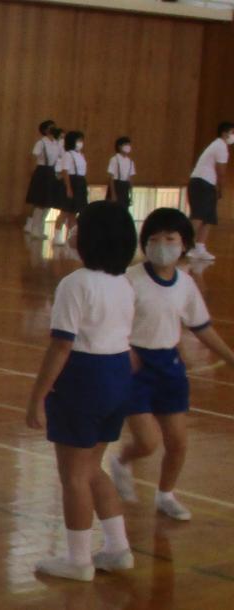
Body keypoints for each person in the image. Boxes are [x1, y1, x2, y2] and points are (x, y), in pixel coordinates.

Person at [26, 201, 138, 582]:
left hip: (84, 377)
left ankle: (77, 559)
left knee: (73, 475)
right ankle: (118, 548)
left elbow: (62, 345)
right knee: (92, 468)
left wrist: (38, 396)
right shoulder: (124, 284)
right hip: (117, 375)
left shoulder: (75, 284)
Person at [110, 208, 234, 521]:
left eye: (170, 239)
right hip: (135, 368)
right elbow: (112, 322)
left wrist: (229, 357)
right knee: (147, 442)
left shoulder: (186, 285)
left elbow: (201, 327)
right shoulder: (130, 280)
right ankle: (121, 461)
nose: (162, 245)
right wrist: (125, 349)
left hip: (169, 366)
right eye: (154, 239)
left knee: (178, 442)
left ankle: (166, 495)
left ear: (184, 244)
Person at [186, 121, 234, 261]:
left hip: (207, 184)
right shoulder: (220, 147)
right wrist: (221, 188)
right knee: (198, 216)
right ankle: (185, 245)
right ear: (224, 133)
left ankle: (199, 248)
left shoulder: (219, 145)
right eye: (232, 133)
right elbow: (221, 171)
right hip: (202, 183)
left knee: (208, 217)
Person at [24, 120, 59, 238]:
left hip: (52, 171)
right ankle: (34, 229)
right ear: (45, 130)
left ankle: (40, 227)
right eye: (51, 127)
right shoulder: (41, 143)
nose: (53, 129)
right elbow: (33, 157)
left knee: (49, 202)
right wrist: (31, 171)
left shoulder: (56, 143)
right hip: (42, 171)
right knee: (40, 202)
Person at [52, 131, 88, 246]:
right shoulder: (68, 154)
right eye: (78, 140)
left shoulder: (81, 155)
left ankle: (72, 237)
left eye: (81, 140)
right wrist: (68, 188)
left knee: (74, 213)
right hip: (72, 182)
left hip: (80, 182)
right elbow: (65, 171)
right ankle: (57, 237)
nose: (81, 142)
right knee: (65, 211)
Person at [106, 136, 136, 207]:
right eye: (126, 144)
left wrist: (131, 195)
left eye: (129, 145)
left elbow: (130, 179)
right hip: (116, 185)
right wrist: (113, 194)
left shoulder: (130, 161)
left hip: (125, 187)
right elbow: (111, 178)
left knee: (124, 209)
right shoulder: (114, 159)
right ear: (119, 146)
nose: (128, 146)